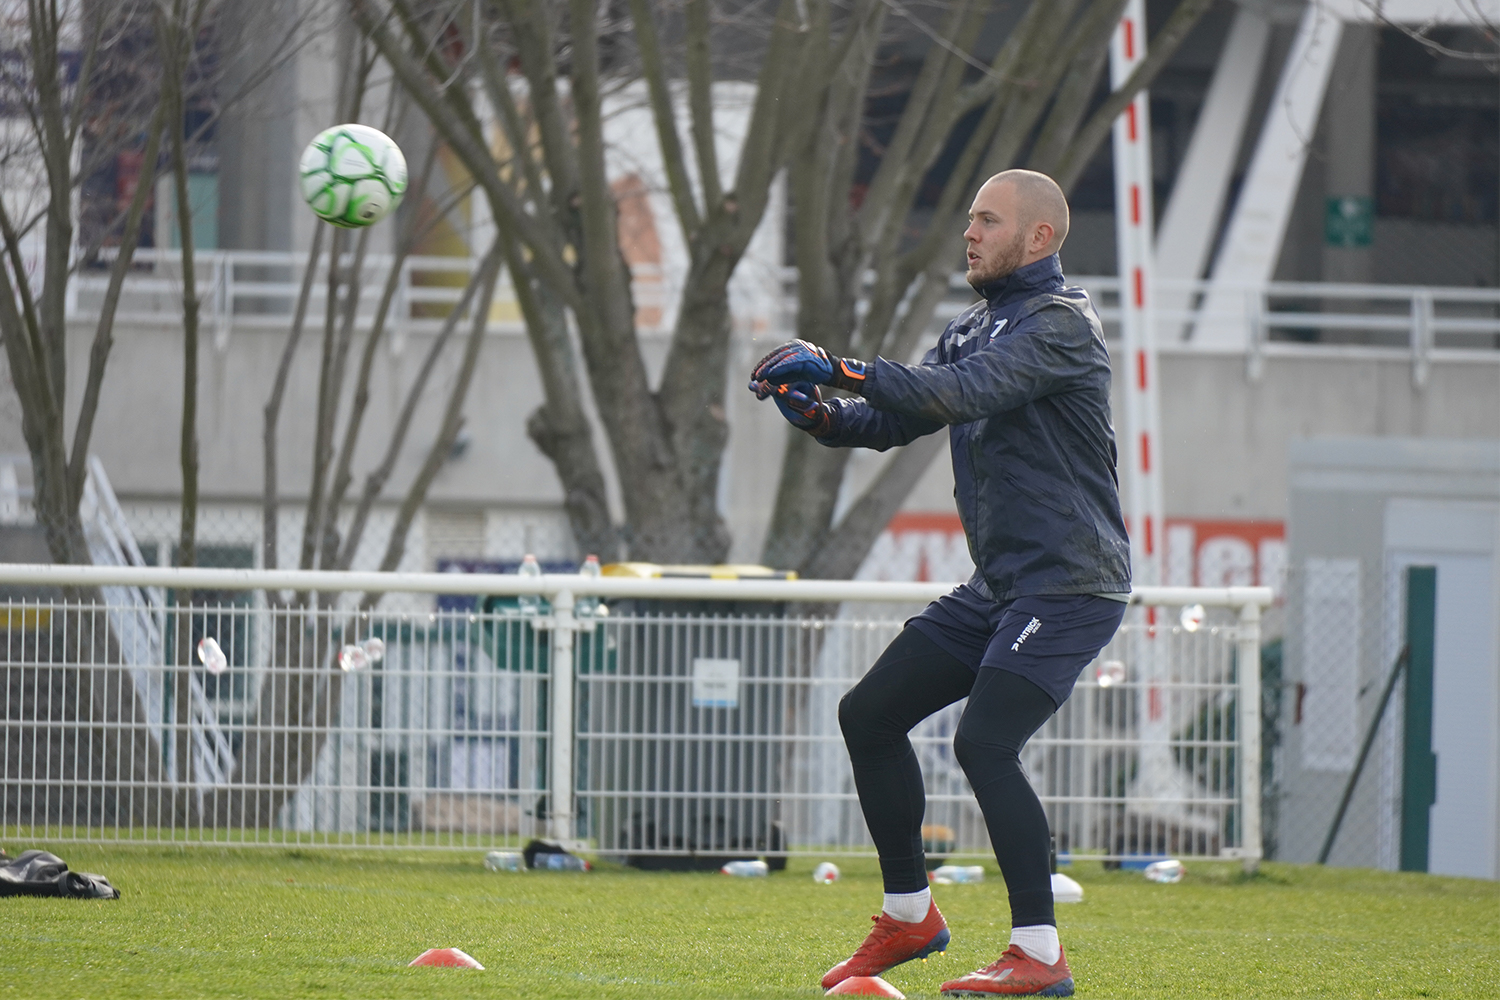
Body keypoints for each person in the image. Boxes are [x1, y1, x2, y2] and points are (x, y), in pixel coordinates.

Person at [748, 169, 1130, 998]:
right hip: (1001, 588)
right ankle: (912, 916)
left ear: (1040, 239)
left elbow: (960, 395)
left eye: (987, 222)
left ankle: (1038, 955)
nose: (970, 234)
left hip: (1069, 586)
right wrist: (817, 411)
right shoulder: (974, 326)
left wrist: (838, 363)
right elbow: (899, 416)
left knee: (983, 743)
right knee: (869, 714)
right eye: (969, 220)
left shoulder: (1061, 326)